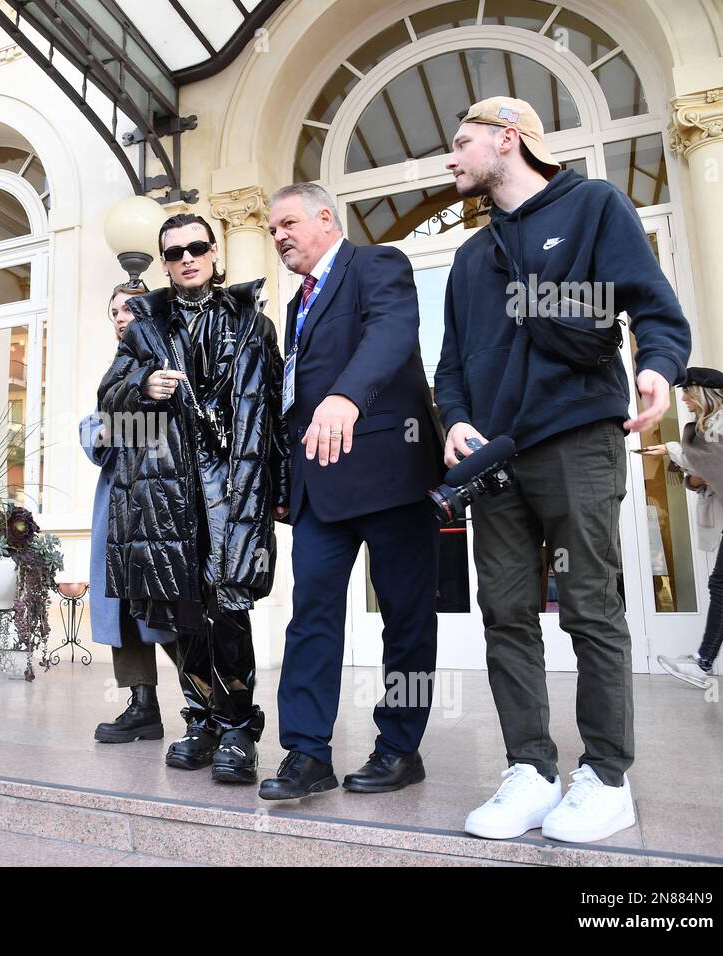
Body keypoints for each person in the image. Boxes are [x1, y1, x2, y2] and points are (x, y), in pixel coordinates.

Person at [435, 96, 692, 843]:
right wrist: (452, 419)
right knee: (505, 614)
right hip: (498, 461)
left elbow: (650, 305)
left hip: (577, 437)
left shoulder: (593, 207)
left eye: (461, 142)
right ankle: (531, 770)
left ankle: (607, 777)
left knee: (588, 605)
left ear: (508, 138)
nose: (450, 158)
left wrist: (660, 368)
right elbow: (450, 362)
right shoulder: (468, 256)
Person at [258, 183, 445, 801]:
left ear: (323, 217)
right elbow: (293, 398)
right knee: (310, 619)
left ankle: (399, 748)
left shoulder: (376, 265)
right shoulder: (297, 305)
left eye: (287, 222)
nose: (279, 235)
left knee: (406, 622)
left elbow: (392, 335)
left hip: (390, 476)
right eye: (271, 230)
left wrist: (346, 396)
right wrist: (287, 480)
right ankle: (307, 753)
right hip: (318, 489)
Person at [98, 214, 289, 785]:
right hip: (166, 492)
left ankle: (236, 728)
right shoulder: (143, 328)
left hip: (234, 486)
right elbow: (109, 408)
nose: (186, 258)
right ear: (163, 262)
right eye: (174, 251)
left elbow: (276, 411)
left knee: (229, 607)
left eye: (196, 248)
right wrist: (141, 388)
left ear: (214, 252)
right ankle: (201, 719)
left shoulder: (255, 322)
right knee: (182, 612)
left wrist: (281, 489)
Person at [81, 280, 177, 743]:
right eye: (113, 311)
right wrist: (108, 426)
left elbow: (160, 428)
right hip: (115, 501)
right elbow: (95, 435)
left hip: (159, 502)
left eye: (128, 309)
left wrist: (112, 425)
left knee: (168, 605)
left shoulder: (169, 354)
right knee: (122, 606)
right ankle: (143, 705)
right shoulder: (117, 371)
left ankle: (215, 704)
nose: (119, 318)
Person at [639, 368, 723, 688]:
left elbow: (719, 466)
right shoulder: (713, 424)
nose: (683, 398)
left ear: (702, 392)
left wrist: (671, 449)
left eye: (687, 391)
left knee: (720, 584)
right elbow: (702, 476)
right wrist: (692, 469)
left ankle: (703, 663)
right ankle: (703, 662)